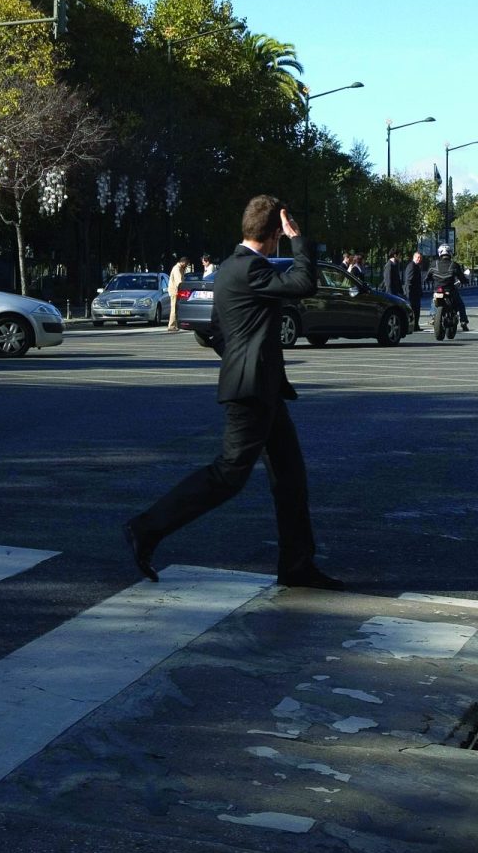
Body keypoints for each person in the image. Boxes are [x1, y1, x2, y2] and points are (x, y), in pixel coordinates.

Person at [123, 196, 342, 590]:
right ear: (275, 233)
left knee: (291, 477)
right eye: (281, 233)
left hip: (262, 387)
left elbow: (216, 331)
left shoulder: (227, 268)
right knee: (228, 475)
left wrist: (242, 357)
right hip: (252, 390)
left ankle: (297, 565)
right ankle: (146, 528)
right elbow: (303, 283)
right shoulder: (251, 268)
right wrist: (299, 240)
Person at [427, 244, 469, 331]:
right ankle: (463, 322)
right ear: (450, 253)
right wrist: (465, 281)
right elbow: (461, 277)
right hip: (450, 289)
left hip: (438, 289)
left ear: (439, 253)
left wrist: (430, 280)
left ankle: (433, 316)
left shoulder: (433, 264)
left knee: (434, 299)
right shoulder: (454, 265)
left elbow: (428, 277)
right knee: (461, 304)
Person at [166, 256, 190, 331]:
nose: (186, 265)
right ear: (183, 262)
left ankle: (174, 325)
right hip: (174, 291)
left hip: (176, 290)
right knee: (174, 308)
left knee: (176, 308)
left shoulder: (180, 268)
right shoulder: (177, 269)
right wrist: (184, 289)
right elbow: (179, 282)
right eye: (186, 263)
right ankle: (171, 325)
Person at [405, 251, 426, 331]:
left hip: (416, 293)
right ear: (414, 257)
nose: (419, 259)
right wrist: (408, 294)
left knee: (416, 310)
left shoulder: (416, 266)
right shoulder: (412, 266)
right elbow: (409, 281)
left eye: (420, 258)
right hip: (412, 294)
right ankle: (412, 326)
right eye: (418, 257)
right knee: (413, 310)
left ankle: (415, 326)